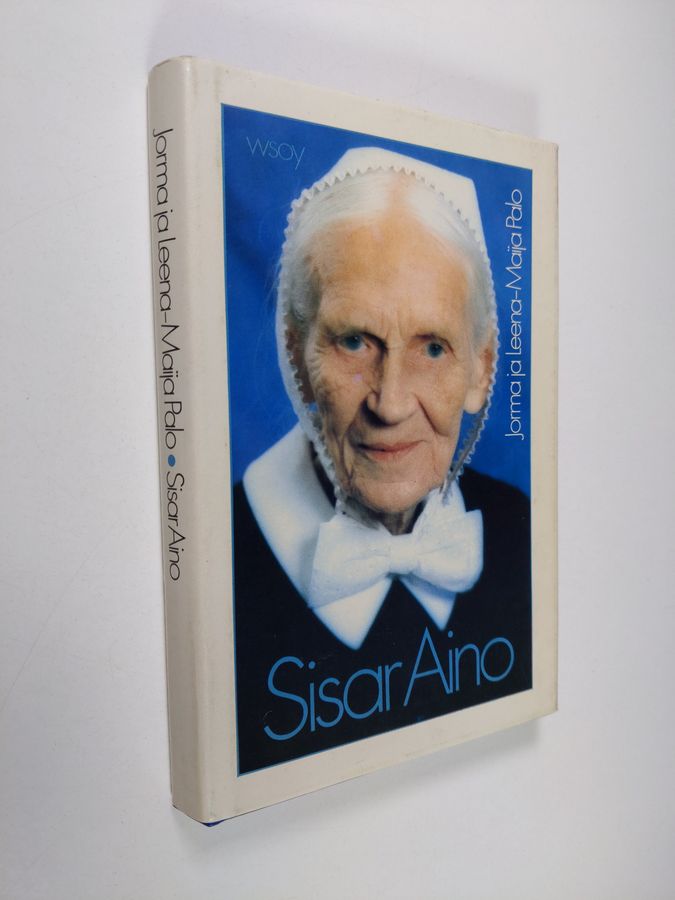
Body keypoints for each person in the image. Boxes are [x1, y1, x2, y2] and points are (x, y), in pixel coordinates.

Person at [232, 148, 532, 773]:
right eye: (353, 341)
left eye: (432, 347)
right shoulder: (224, 558)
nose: (390, 404)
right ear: (298, 356)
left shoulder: (521, 527)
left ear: (481, 369)